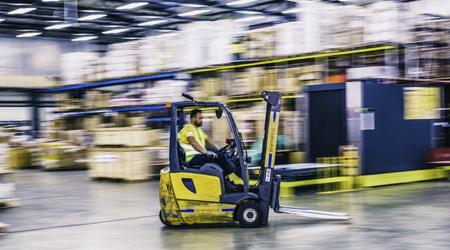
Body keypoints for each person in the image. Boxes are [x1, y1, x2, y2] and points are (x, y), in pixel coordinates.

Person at [178, 109, 235, 175]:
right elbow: (193, 142)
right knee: (219, 157)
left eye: (202, 118)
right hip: (192, 158)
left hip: (198, 156)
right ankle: (231, 174)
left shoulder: (198, 130)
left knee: (220, 154)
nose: (202, 120)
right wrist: (206, 152)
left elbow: (209, 140)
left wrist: (220, 148)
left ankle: (226, 179)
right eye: (200, 118)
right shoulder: (188, 128)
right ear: (193, 119)